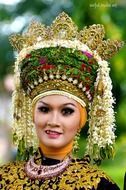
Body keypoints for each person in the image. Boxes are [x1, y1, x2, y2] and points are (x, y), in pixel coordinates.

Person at [0, 12, 123, 189]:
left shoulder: (98, 185)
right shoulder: (4, 179)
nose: (53, 121)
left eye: (66, 111)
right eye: (44, 109)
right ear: (32, 114)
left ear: (82, 119)